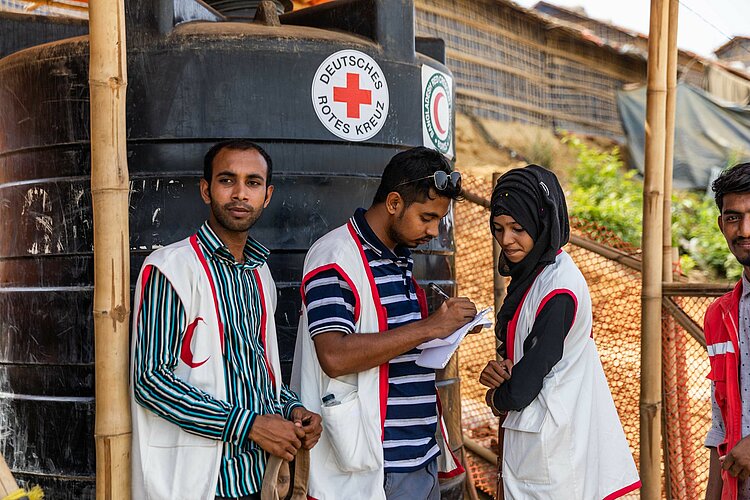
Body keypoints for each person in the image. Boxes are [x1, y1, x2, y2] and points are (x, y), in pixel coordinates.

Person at [130, 140, 322, 500]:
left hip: (259, 478)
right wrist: (249, 425)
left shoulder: (259, 274)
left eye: (253, 182)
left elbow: (255, 371)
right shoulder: (172, 269)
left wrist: (292, 409)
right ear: (206, 190)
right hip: (203, 483)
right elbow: (150, 382)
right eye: (227, 180)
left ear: (267, 195)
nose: (239, 193)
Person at [291, 147, 477, 500]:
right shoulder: (335, 257)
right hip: (378, 468)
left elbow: (395, 343)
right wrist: (430, 327)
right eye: (426, 217)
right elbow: (334, 355)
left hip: (419, 457)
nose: (434, 231)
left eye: (439, 219)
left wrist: (449, 329)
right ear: (394, 203)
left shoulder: (398, 256)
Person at [478, 164, 639, 499]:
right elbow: (528, 358)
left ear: (542, 222)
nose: (506, 240)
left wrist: (496, 398)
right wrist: (507, 368)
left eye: (518, 228)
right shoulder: (537, 276)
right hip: (540, 441)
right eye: (499, 228)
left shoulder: (559, 290)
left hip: (551, 445)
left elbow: (524, 385)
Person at [704, 162, 750, 500]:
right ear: (722, 225)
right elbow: (721, 423)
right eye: (733, 217)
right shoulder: (720, 316)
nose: (745, 229)